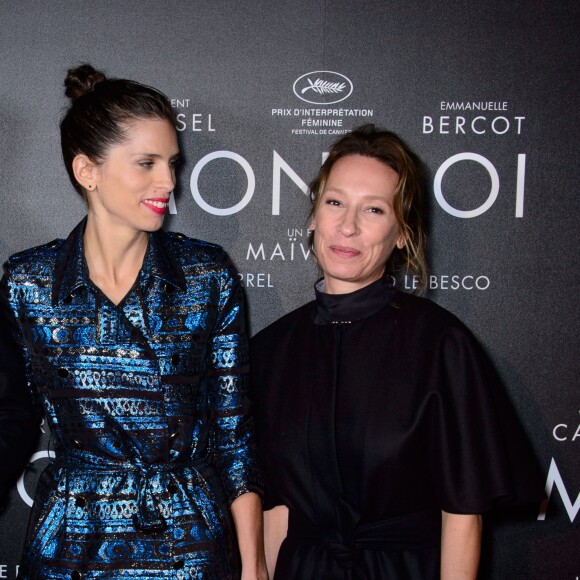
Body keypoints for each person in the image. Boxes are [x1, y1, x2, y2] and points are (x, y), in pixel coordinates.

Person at [0, 64, 267, 580]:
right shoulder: (29, 284)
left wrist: (253, 565)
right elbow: (10, 421)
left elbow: (234, 433)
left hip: (188, 537)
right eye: (146, 163)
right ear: (87, 170)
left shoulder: (205, 275)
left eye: (172, 162)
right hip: (72, 542)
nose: (168, 181)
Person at [250, 125, 544, 579]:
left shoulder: (440, 345)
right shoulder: (271, 351)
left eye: (373, 209)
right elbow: (277, 508)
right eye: (335, 202)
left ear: (402, 234)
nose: (347, 226)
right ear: (312, 217)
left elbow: (462, 515)